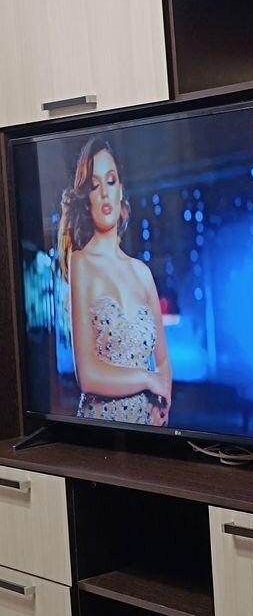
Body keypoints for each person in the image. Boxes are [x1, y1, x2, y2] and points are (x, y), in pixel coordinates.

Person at [58, 135, 172, 426]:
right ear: (87, 199)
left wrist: (164, 399)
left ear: (121, 189)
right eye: (94, 186)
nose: (105, 194)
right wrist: (148, 379)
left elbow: (162, 361)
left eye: (110, 181)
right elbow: (88, 376)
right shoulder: (81, 263)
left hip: (146, 430)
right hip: (101, 430)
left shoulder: (142, 272)